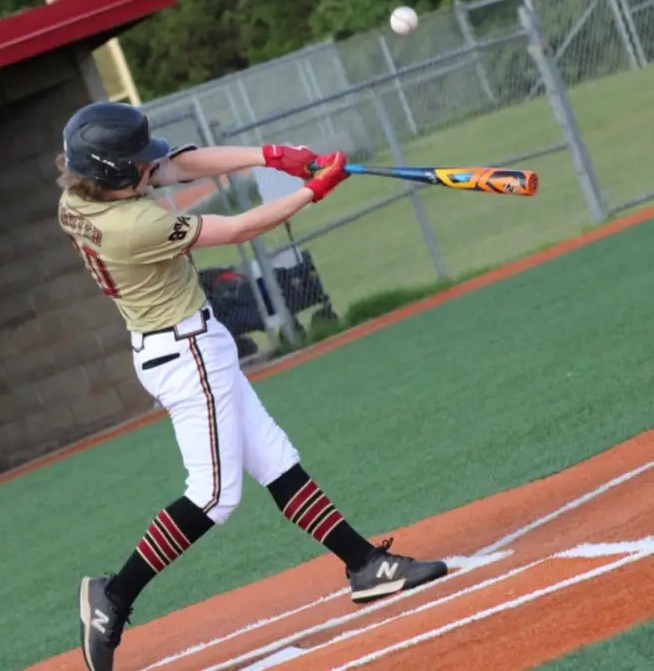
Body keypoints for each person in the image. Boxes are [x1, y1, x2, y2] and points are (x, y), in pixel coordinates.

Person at [57, 102, 449, 671]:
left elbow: (179, 163)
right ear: (115, 172)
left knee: (274, 458)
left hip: (180, 344)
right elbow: (239, 229)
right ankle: (113, 596)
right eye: (137, 163)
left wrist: (270, 156)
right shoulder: (135, 226)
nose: (149, 166)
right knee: (213, 496)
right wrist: (313, 190)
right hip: (186, 354)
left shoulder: (79, 198)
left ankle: (364, 564)